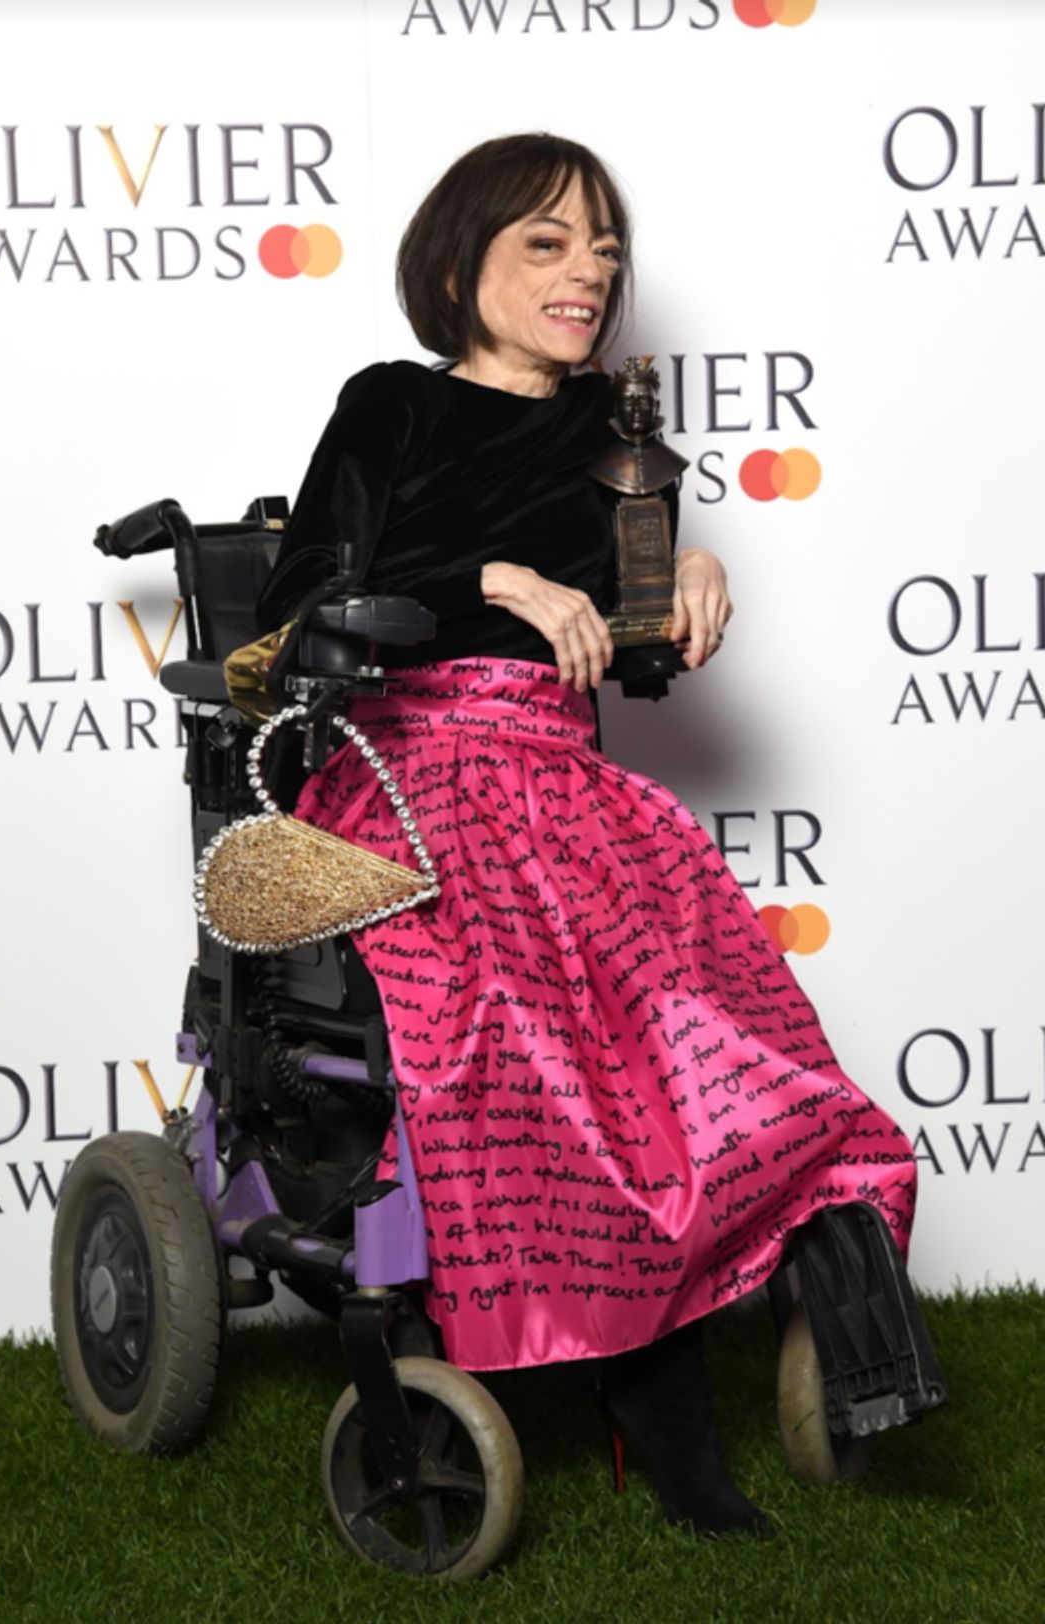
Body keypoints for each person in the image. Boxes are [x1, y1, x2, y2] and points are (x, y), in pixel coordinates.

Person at [255, 134, 922, 1541]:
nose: (591, 271)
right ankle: (662, 1410)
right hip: (408, 760)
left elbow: (636, 669)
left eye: (604, 245)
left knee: (718, 1021)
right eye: (549, 242)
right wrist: (487, 574)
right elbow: (308, 601)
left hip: (562, 781)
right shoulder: (393, 406)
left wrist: (685, 571)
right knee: (535, 1014)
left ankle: (813, 1308)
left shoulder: (623, 443)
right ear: (459, 263)